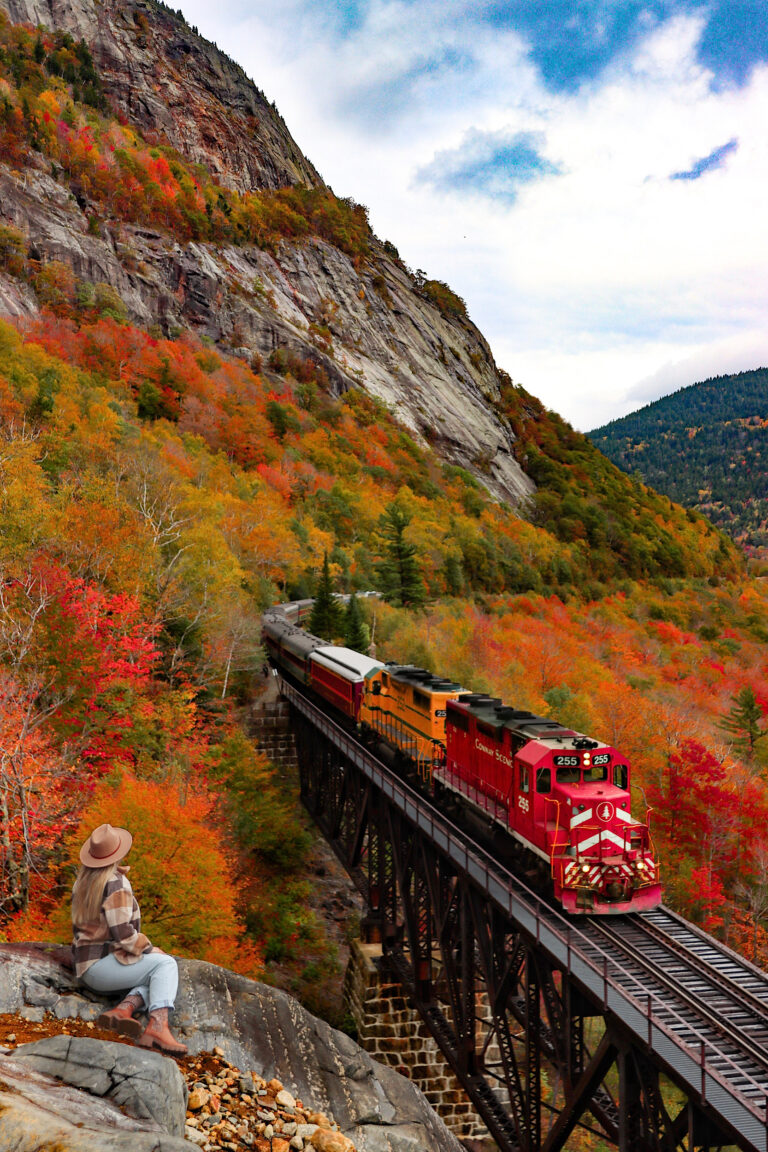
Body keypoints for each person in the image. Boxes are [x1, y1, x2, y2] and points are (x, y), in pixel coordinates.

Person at [71, 822, 187, 1054]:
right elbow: (123, 934)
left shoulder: (83, 880)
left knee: (155, 974)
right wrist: (150, 948)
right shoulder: (116, 883)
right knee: (166, 965)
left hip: (85, 967)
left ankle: (123, 1009)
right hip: (101, 968)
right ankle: (157, 1027)